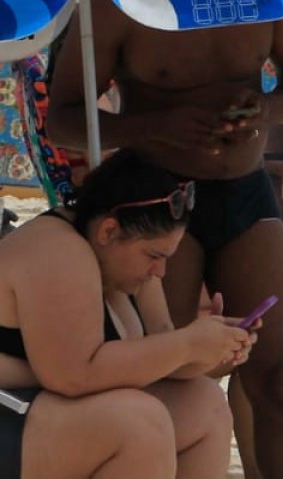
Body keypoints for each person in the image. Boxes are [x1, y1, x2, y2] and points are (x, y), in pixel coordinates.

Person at [46, 0, 283, 479]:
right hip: (157, 197)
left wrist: (267, 108)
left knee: (277, 379)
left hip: (245, 188)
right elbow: (64, 118)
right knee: (162, 377)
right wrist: (153, 126)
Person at [0, 151, 254, 479]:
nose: (160, 271)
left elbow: (161, 352)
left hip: (35, 409)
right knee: (139, 424)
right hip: (13, 409)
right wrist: (186, 346)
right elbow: (74, 374)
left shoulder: (128, 263)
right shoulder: (58, 251)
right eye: (154, 255)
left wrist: (214, 349)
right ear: (108, 232)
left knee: (205, 404)